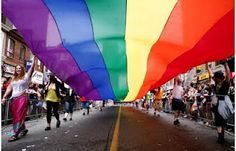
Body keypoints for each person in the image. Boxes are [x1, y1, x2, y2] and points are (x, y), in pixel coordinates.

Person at [1, 57, 36, 142]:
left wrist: (34, 58)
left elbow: (32, 68)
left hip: (22, 98)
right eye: (17, 69)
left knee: (18, 115)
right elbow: (9, 88)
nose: (18, 70)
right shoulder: (13, 78)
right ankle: (23, 129)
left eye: (20, 68)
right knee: (17, 115)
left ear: (22, 69)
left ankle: (15, 134)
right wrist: (4, 97)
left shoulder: (26, 77)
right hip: (14, 99)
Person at [206, 60, 230, 144]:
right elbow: (210, 74)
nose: (214, 78)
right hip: (218, 104)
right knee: (219, 120)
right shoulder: (217, 82)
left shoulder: (226, 83)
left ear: (218, 78)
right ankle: (220, 137)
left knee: (221, 121)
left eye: (215, 77)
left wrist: (226, 64)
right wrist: (206, 64)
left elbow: (228, 73)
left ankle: (221, 137)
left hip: (223, 103)